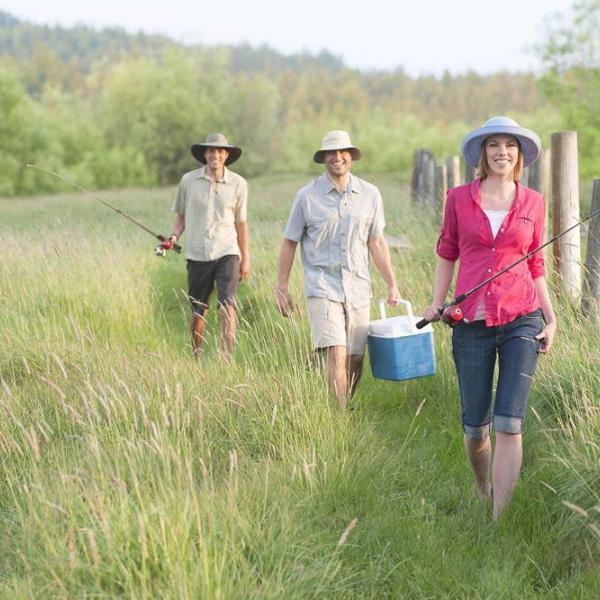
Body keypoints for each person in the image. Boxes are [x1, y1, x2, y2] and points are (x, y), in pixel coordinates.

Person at [422, 116, 557, 519]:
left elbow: (536, 263)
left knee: (509, 422)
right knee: (475, 427)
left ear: (519, 155)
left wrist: (551, 317)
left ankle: (499, 517)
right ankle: (482, 488)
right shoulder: (459, 198)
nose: (502, 152)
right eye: (494, 145)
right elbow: (448, 252)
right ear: (483, 153)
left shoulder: (533, 202)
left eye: (509, 146)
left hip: (521, 318)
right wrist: (437, 301)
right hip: (471, 323)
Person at [276, 130, 401, 407]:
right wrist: (281, 287)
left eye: (342, 152)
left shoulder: (370, 194)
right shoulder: (307, 197)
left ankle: (345, 402)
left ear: (351, 156)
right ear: (323, 159)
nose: (337, 157)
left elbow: (377, 241)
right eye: (330, 153)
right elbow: (289, 243)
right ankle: (340, 416)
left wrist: (392, 283)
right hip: (321, 286)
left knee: (355, 357)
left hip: (358, 286)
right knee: (336, 351)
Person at [169, 133, 250, 360]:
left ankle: (226, 359)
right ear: (204, 154)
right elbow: (180, 217)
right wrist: (174, 237)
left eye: (220, 151)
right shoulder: (188, 181)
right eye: (211, 151)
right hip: (197, 254)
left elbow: (241, 223)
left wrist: (246, 258)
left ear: (227, 155)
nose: (216, 155)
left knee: (228, 306)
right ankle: (197, 356)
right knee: (198, 311)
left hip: (227, 252)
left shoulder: (238, 184)